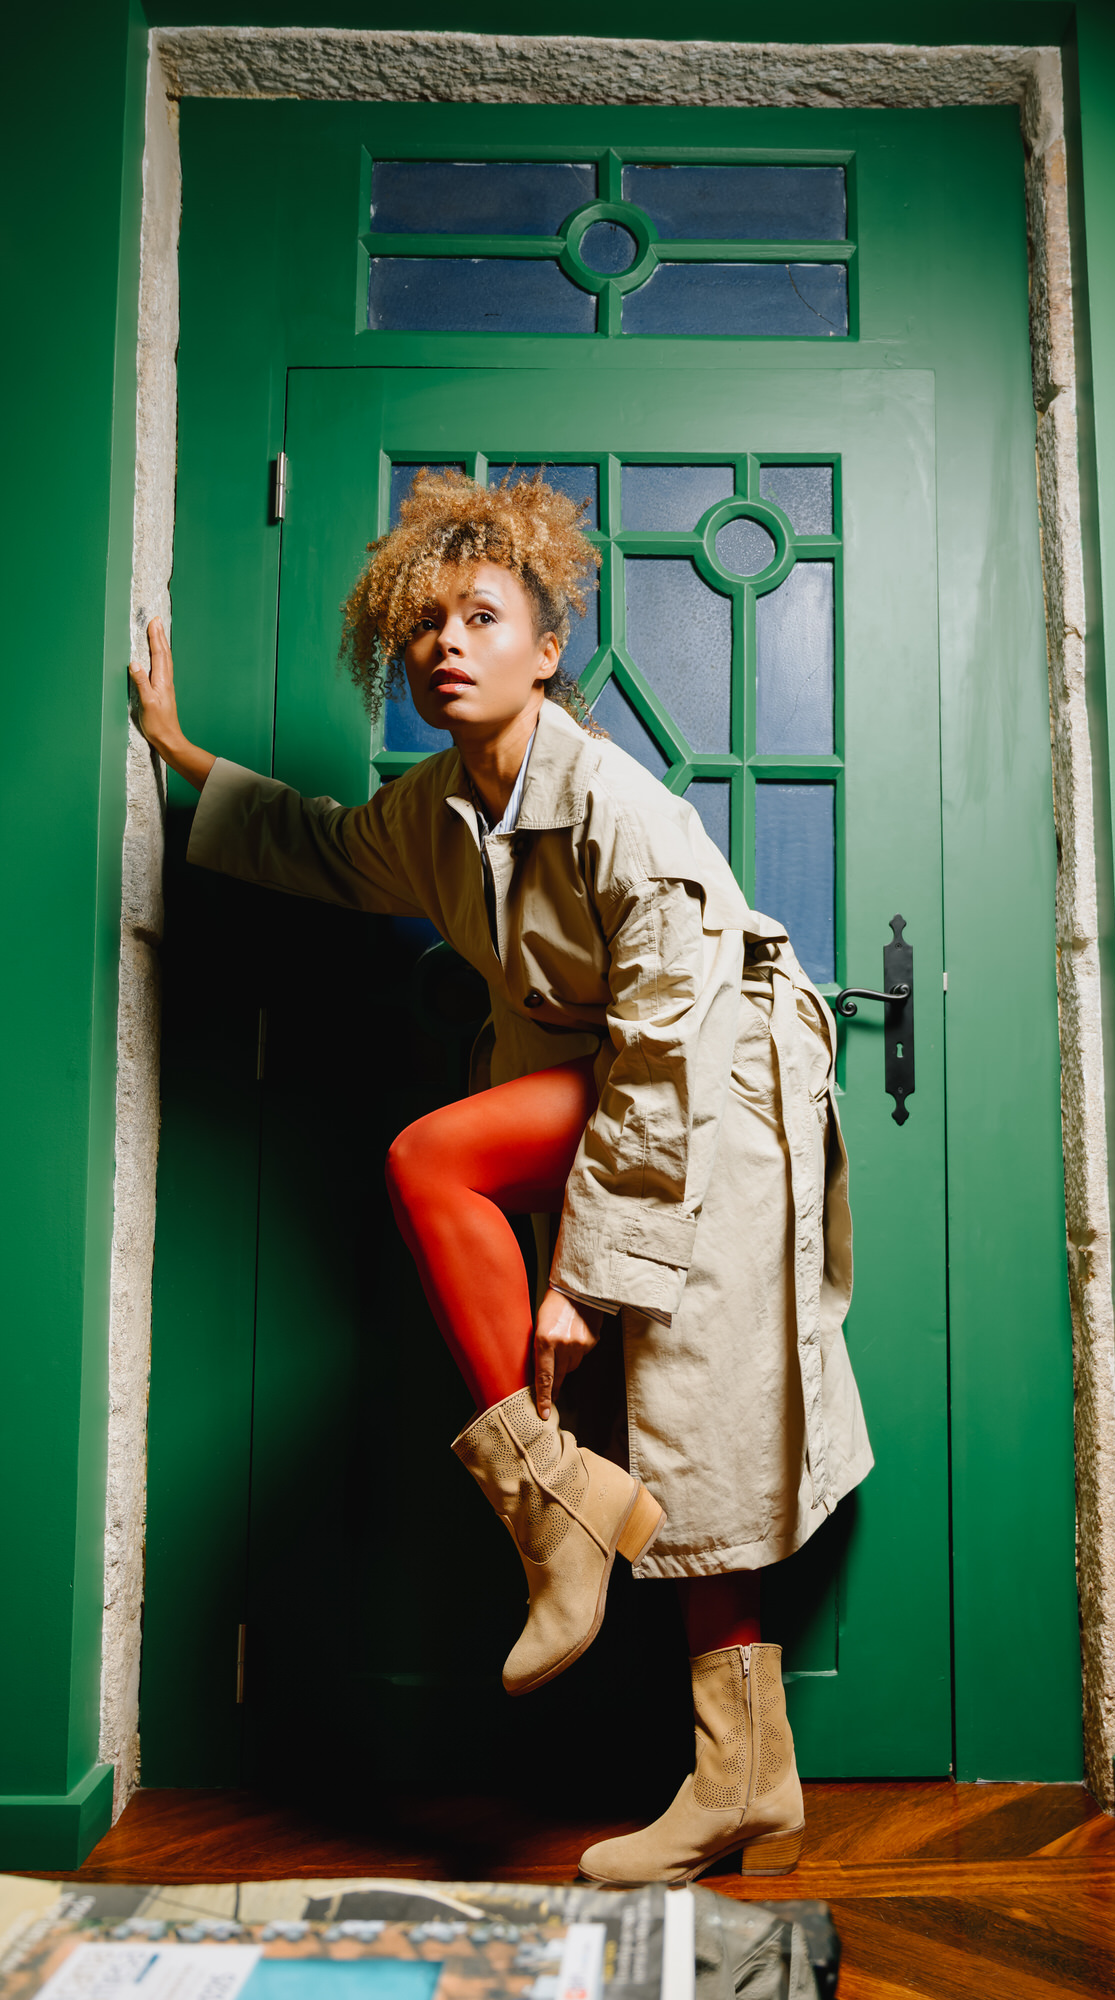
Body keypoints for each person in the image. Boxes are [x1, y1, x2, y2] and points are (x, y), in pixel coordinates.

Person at [131, 468, 873, 1883]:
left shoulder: (617, 810)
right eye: (422, 627)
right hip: (625, 1089)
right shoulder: (433, 807)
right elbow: (320, 846)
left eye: (481, 617)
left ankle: (670, 1676)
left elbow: (664, 1051)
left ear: (547, 651)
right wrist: (178, 752)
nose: (445, 644)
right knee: (643, 1403)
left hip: (714, 1092)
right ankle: (688, 1690)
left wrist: (582, 1281)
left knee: (692, 1410)